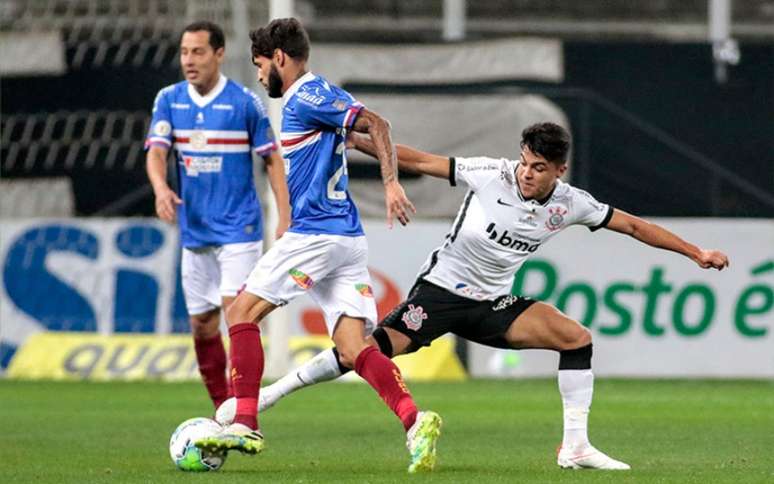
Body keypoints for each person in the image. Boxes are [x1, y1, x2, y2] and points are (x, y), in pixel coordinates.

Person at [218, 122, 731, 471]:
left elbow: (635, 227)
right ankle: (269, 395)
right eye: (525, 162)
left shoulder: (572, 204)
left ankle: (575, 447)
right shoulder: (490, 173)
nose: (526, 173)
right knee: (365, 351)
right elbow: (419, 159)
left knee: (577, 338)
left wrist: (695, 252)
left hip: (492, 307)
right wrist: (356, 140)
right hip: (439, 293)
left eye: (538, 168)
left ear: (560, 172)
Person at [194, 18, 442, 474]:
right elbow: (356, 135)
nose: (259, 75)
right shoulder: (315, 103)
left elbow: (377, 122)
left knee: (240, 313)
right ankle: (414, 420)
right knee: (353, 347)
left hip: (317, 234)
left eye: (260, 64)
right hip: (346, 240)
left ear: (280, 59)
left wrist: (391, 184)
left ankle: (245, 421)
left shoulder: (306, 94)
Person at [145, 20, 290, 411]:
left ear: (219, 54)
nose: (189, 61)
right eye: (184, 52)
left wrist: (283, 215)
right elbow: (156, 152)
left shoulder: (244, 103)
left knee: (237, 318)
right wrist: (161, 189)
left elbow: (272, 160)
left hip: (239, 230)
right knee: (201, 326)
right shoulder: (169, 100)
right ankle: (221, 410)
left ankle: (241, 412)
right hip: (195, 232)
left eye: (198, 52)